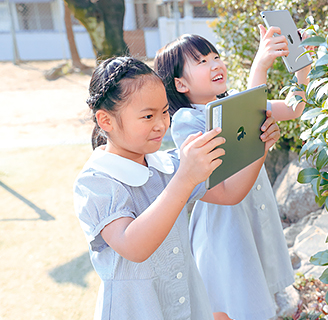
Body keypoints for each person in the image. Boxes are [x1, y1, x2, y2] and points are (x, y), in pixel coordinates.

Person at [73, 56, 280, 320]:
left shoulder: (169, 164)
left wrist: (258, 147)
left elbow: (230, 194)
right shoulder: (96, 182)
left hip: (188, 306)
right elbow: (134, 246)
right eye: (148, 116)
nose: (161, 124)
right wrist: (184, 179)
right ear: (106, 121)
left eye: (163, 112)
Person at [154, 24, 311, 320]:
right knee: (228, 303)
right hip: (223, 230)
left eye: (215, 56)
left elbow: (294, 107)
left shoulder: (232, 103)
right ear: (180, 85)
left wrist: (301, 60)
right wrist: (260, 64)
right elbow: (246, 131)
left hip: (249, 218)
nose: (215, 64)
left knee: (247, 300)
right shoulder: (187, 119)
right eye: (201, 62)